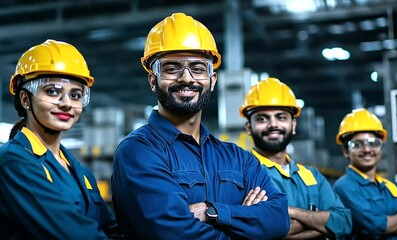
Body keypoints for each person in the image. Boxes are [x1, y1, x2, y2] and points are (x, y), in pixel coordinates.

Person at [111, 12, 290, 240]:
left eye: (197, 68)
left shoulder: (238, 158)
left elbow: (278, 219)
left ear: (212, 80)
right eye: (171, 68)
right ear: (153, 81)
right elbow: (171, 233)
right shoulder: (139, 151)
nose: (186, 78)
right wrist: (245, 224)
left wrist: (212, 211)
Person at [0, 39, 123, 239]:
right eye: (52, 92)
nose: (66, 103)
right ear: (25, 99)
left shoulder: (82, 173)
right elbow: (72, 235)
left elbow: (111, 229)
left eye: (75, 95)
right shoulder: (13, 162)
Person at [240, 77, 352, 239]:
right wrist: (317, 222)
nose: (273, 125)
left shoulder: (312, 176)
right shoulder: (242, 174)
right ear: (249, 128)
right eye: (262, 118)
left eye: (281, 117)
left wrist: (292, 212)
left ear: (293, 125)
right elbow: (257, 231)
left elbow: (344, 223)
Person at [333, 108, 397, 239]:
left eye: (373, 143)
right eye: (357, 144)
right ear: (345, 151)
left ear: (380, 148)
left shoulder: (392, 187)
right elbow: (374, 226)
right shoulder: (344, 187)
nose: (367, 149)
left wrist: (390, 225)